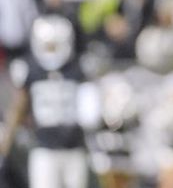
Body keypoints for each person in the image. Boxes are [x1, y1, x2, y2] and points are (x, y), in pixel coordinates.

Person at [0, 14, 100, 188]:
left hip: (74, 146)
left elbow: (90, 106)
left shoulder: (78, 68)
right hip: (44, 147)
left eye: (55, 46)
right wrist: (8, 137)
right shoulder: (30, 70)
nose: (52, 51)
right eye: (48, 46)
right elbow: (20, 104)